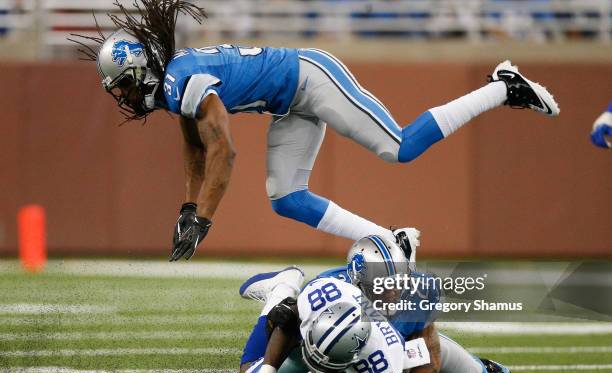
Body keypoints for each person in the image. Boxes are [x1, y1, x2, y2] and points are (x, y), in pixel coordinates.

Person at [74, 0, 559, 262]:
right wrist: (186, 206)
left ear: (141, 72)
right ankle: (391, 241)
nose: (123, 96)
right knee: (286, 197)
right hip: (290, 103)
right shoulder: (175, 87)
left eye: (122, 86)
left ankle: (501, 87)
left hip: (311, 76)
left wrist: (204, 217)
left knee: (400, 148)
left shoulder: (182, 79)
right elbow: (197, 149)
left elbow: (223, 148)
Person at [239, 236, 512, 373]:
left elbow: (430, 365)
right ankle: (282, 288)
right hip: (326, 353)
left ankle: (478, 361)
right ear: (358, 281)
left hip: (401, 345)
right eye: (383, 283)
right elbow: (285, 331)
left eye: (397, 279)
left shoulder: (418, 291)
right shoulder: (332, 290)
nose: (393, 290)